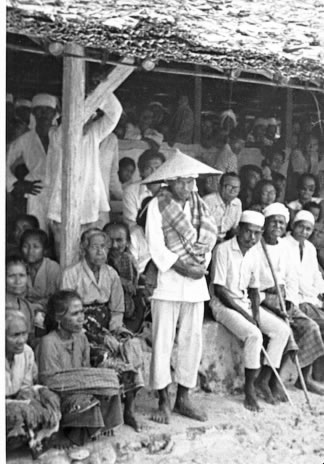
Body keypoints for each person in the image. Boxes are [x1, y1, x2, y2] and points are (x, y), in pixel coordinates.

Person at [145, 150, 219, 424]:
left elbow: (208, 241)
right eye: (183, 182)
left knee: (192, 342)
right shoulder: (157, 205)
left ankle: (184, 398)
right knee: (163, 341)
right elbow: (156, 245)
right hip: (168, 282)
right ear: (170, 181)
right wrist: (182, 266)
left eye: (192, 182)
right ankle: (163, 400)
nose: (188, 187)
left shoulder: (201, 206)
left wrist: (201, 266)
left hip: (195, 284)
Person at [61, 228, 144, 432]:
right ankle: (104, 416)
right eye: (95, 247)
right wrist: (99, 337)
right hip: (80, 328)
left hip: (106, 326)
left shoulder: (111, 274)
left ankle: (130, 409)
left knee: (131, 346)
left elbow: (116, 311)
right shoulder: (72, 274)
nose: (101, 252)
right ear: (83, 249)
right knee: (103, 355)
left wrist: (117, 333)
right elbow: (68, 314)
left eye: (104, 247)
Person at [209, 210, 290, 410]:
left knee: (282, 330)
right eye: (248, 232)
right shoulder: (223, 250)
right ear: (239, 229)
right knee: (254, 334)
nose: (251, 237)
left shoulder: (254, 252)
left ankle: (264, 378)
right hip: (222, 305)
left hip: (244, 303)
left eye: (256, 233)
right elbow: (220, 290)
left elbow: (254, 290)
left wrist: (254, 313)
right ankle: (249, 390)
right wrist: (248, 317)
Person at [37, 290, 123, 445]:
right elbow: (49, 382)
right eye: (75, 314)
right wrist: (91, 383)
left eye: (82, 312)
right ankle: (71, 433)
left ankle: (97, 425)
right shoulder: (48, 342)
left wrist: (99, 380)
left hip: (80, 389)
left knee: (111, 386)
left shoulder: (81, 338)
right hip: (59, 396)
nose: (81, 318)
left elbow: (85, 372)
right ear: (58, 318)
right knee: (84, 402)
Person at [47, 91, 122, 261]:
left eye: (91, 115)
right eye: (85, 115)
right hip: (62, 203)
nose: (88, 120)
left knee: (88, 252)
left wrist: (99, 91)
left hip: (88, 203)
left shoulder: (94, 134)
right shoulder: (58, 134)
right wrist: (83, 107)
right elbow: (72, 125)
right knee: (64, 255)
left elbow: (115, 112)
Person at [260, 207, 324, 395]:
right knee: (301, 327)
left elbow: (313, 276)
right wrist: (293, 301)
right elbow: (289, 281)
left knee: (313, 326)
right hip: (284, 299)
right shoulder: (282, 245)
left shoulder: (309, 248)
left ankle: (307, 376)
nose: (304, 232)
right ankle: (279, 378)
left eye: (308, 229)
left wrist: (320, 293)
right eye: (301, 227)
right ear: (293, 226)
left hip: (299, 298)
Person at [6, 310, 61, 457]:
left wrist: (41, 393)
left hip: (15, 399)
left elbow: (25, 387)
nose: (22, 340)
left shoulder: (27, 352)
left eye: (24, 334)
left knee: (50, 402)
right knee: (21, 414)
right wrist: (20, 406)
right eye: (15, 335)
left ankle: (33, 441)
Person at [6, 93, 58, 230]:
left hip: (59, 192)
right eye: (39, 110)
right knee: (38, 233)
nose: (44, 114)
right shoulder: (25, 139)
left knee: (61, 238)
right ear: (33, 113)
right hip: (37, 192)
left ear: (54, 113)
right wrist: (15, 183)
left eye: (48, 110)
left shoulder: (62, 136)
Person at [104, 222, 139, 321]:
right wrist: (120, 281)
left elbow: (133, 287)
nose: (114, 245)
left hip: (125, 308)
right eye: (110, 240)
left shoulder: (128, 260)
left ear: (127, 241)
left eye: (119, 240)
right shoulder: (98, 259)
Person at [20, 229, 61, 312]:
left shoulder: (53, 268)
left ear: (45, 250)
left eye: (36, 247)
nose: (30, 251)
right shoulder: (19, 267)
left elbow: (60, 298)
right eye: (25, 246)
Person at [123, 149, 165, 228]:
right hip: (141, 236)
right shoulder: (131, 191)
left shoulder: (170, 189)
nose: (154, 172)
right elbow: (132, 224)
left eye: (158, 168)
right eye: (148, 168)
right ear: (141, 171)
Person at [6, 256, 36, 345]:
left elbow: (30, 340)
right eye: (11, 276)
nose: (18, 281)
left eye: (22, 275)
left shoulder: (27, 307)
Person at [203, 172, 242, 243]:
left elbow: (234, 228)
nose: (233, 190)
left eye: (236, 188)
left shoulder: (237, 203)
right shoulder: (207, 201)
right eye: (229, 186)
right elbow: (203, 229)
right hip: (207, 239)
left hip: (224, 240)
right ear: (219, 187)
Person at [99, 132, 123, 219]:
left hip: (101, 202)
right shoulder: (78, 134)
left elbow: (112, 173)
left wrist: (122, 196)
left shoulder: (111, 139)